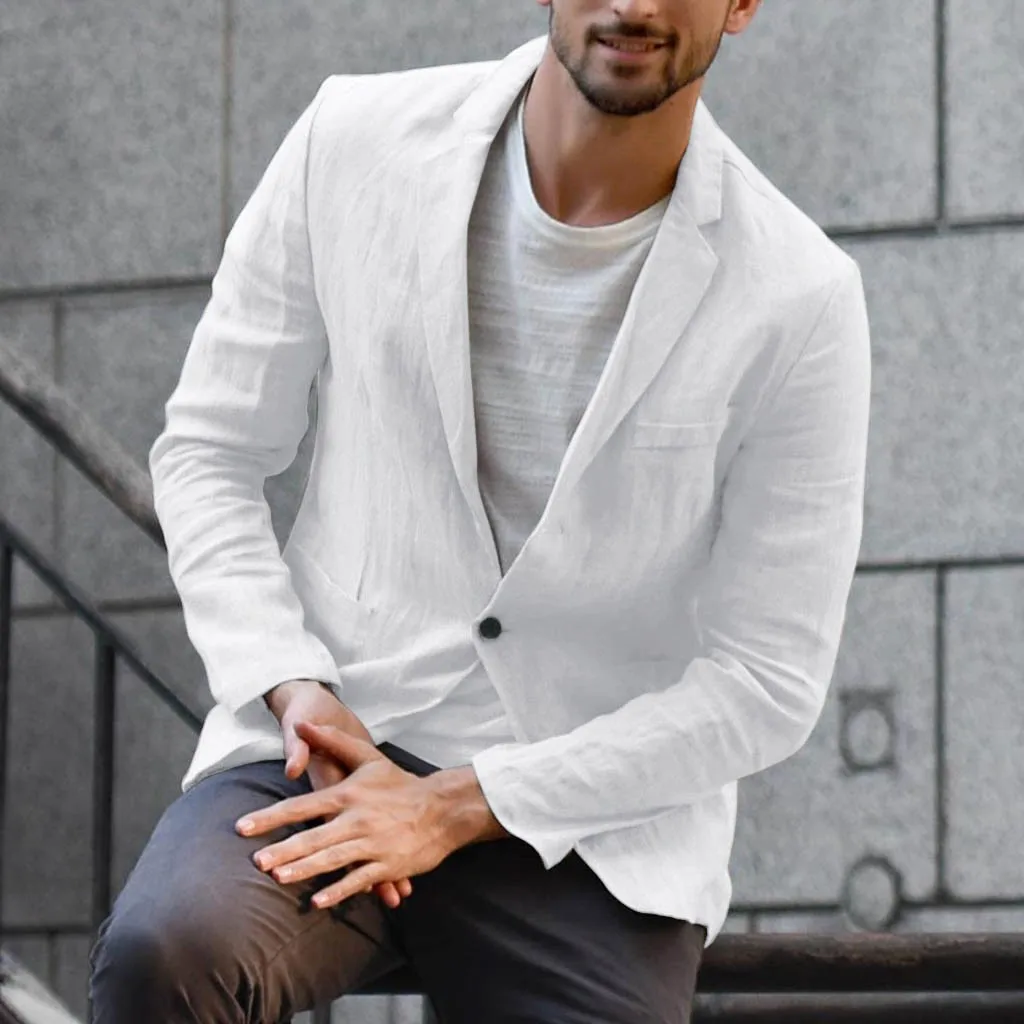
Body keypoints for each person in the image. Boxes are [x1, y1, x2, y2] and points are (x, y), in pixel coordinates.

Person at [88, 0, 872, 1021]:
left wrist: (460, 803)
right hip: (330, 746)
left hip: (587, 827)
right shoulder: (352, 142)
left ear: (742, 3)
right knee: (167, 953)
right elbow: (210, 450)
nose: (634, 5)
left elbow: (766, 679)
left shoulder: (799, 294)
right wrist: (287, 677)